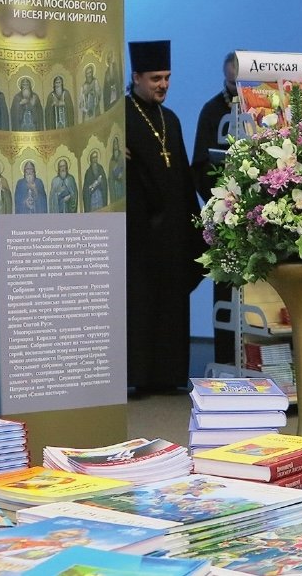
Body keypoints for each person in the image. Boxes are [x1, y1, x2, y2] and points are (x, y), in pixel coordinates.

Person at [127, 40, 205, 396]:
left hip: (172, 229)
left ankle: (169, 374)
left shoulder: (169, 118)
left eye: (167, 78)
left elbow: (183, 176)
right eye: (156, 78)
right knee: (143, 302)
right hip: (139, 231)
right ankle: (141, 376)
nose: (163, 85)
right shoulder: (120, 117)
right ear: (137, 77)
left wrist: (195, 224)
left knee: (172, 301)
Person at [191, 51, 240, 367]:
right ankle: (226, 361)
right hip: (225, 217)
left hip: (259, 216)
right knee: (227, 290)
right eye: (232, 84)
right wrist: (222, 200)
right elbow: (199, 165)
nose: (237, 91)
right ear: (225, 78)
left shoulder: (264, 108)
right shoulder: (212, 111)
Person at [108, 136, 126, 203]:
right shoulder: (111, 160)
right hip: (115, 185)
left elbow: (124, 169)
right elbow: (110, 175)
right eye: (114, 143)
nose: (115, 145)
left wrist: (121, 174)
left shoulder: (121, 156)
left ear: (118, 144)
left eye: (116, 143)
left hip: (121, 183)